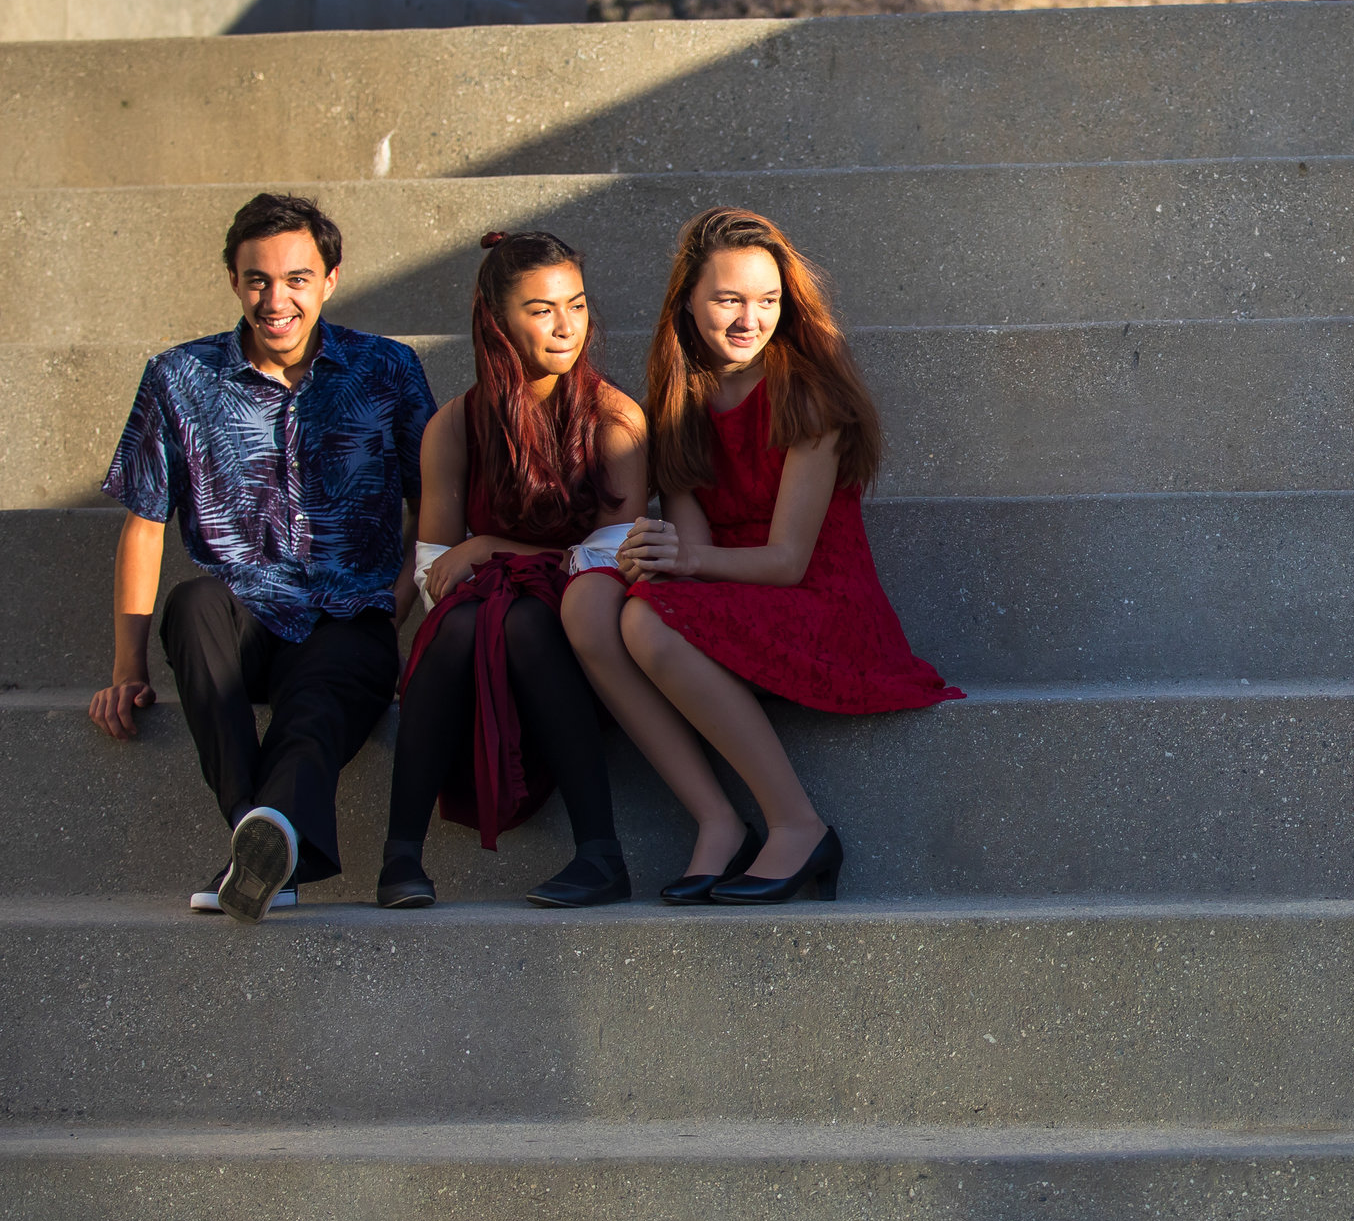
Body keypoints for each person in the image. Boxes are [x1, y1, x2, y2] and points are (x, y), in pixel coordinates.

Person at [563, 206, 960, 905]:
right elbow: (695, 546)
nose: (751, 318)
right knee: (591, 604)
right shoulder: (683, 398)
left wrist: (680, 563)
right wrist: (655, 551)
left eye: (769, 300)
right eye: (729, 300)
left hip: (823, 608)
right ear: (688, 301)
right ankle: (716, 819)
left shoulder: (808, 396)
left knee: (648, 619)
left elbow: (786, 562)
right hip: (733, 593)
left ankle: (797, 824)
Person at [91, 192, 434, 922]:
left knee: (311, 711)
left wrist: (402, 616)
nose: (276, 299)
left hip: (353, 616)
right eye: (257, 280)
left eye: (297, 279)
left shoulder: (389, 371)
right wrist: (127, 670)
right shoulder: (178, 378)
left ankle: (256, 846)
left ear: (331, 278)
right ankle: (269, 835)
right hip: (241, 616)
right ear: (233, 280)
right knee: (191, 602)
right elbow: (145, 526)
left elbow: (433, 508)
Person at [380, 232, 651, 910]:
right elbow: (435, 572)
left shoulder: (615, 420)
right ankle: (400, 857)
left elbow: (611, 556)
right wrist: (484, 557)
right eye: (541, 310)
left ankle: (601, 854)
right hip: (487, 629)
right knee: (460, 622)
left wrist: (491, 547)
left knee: (526, 617)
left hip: (585, 637)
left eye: (578, 304)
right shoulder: (456, 426)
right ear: (497, 321)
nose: (567, 326)